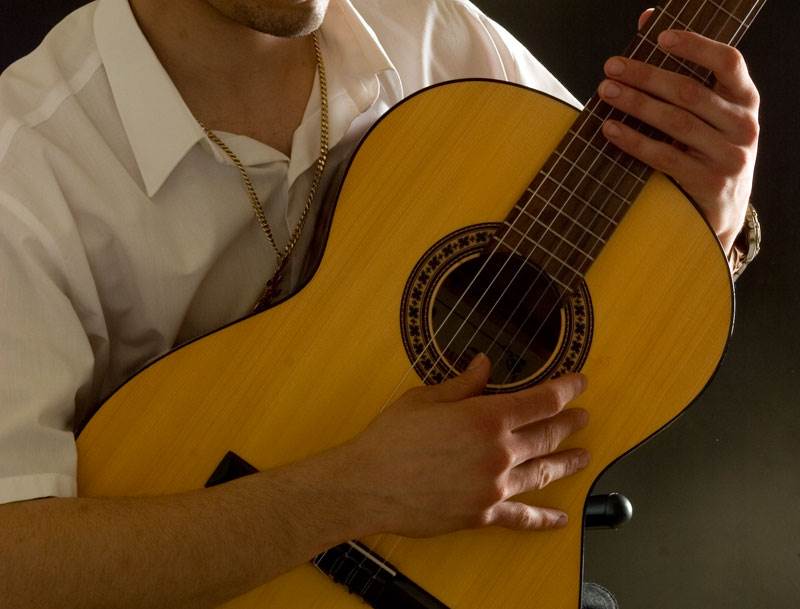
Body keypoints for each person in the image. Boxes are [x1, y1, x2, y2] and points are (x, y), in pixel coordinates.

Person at [0, 0, 760, 608]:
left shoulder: (439, 33)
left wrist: (711, 218)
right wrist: (352, 491)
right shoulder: (24, 169)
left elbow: (622, 267)